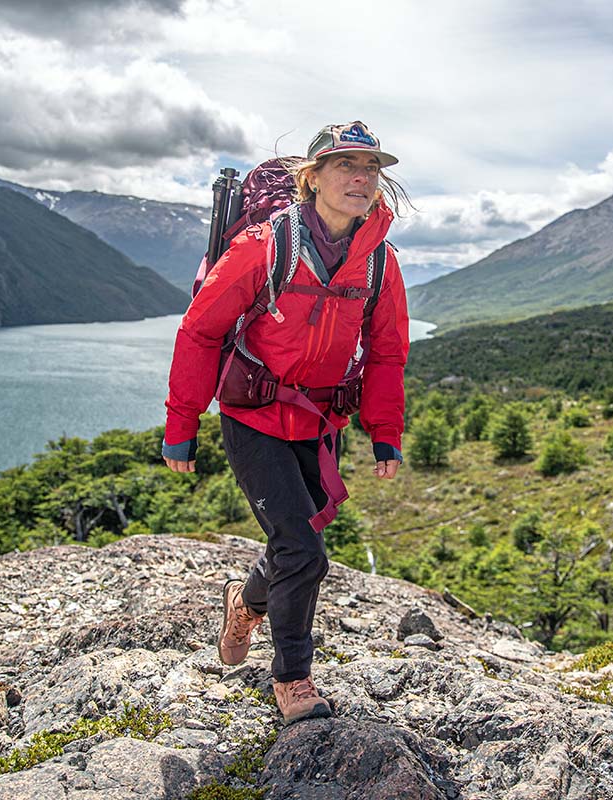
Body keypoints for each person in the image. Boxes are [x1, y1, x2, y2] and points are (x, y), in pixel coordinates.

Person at [161, 121, 410, 725]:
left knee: (291, 544)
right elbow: (201, 330)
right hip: (253, 414)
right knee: (304, 552)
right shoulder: (266, 246)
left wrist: (384, 431)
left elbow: (386, 351)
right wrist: (182, 421)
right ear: (313, 176)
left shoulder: (379, 262)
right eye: (345, 165)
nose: (360, 177)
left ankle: (243, 605)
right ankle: (293, 677)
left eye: (371, 168)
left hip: (320, 418)